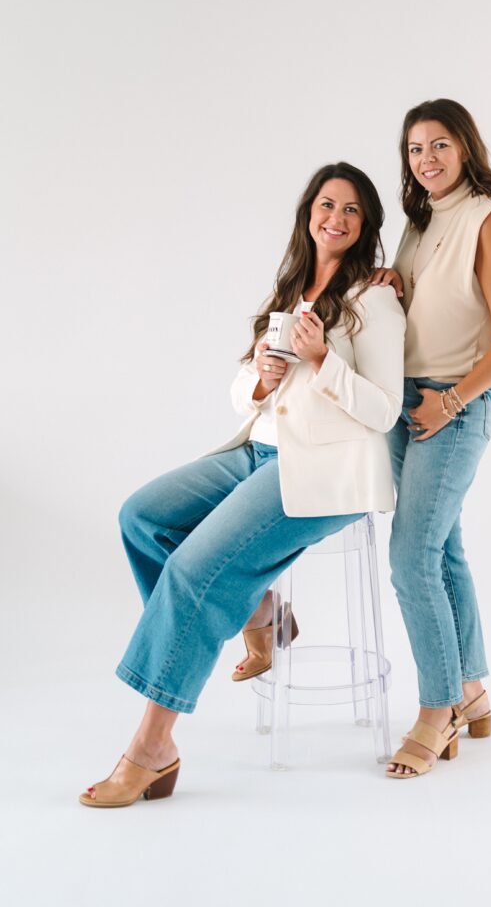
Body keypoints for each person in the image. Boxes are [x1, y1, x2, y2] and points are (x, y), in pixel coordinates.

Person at [79, 162, 406, 807]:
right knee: (142, 517)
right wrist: (260, 377)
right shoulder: (290, 290)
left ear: (366, 224)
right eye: (326, 204)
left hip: (322, 470)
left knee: (194, 572)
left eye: (351, 210)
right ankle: (260, 610)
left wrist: (324, 361)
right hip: (257, 450)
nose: (336, 218)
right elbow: (244, 394)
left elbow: (385, 411)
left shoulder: (375, 299)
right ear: (308, 213)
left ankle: (152, 746)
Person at [372, 99, 491, 778]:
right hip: (407, 401)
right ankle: (471, 691)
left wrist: (453, 401)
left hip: (455, 404)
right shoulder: (420, 222)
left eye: (439, 144)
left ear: (465, 148)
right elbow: (428, 309)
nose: (426, 159)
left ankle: (437, 712)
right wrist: (393, 286)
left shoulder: (485, 221)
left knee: (411, 557)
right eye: (415, 149)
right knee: (442, 551)